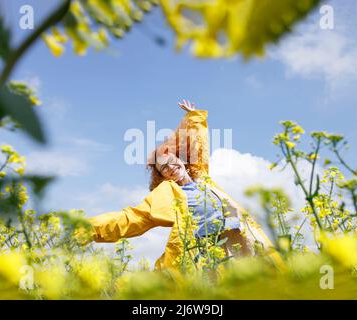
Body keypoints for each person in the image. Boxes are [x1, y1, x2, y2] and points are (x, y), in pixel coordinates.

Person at [87, 99, 282, 271]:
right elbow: (133, 217)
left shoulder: (201, 176)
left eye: (172, 161)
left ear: (181, 160)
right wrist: (89, 228)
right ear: (163, 177)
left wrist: (193, 118)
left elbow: (200, 145)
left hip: (238, 236)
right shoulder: (167, 194)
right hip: (207, 248)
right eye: (164, 169)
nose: (171, 167)